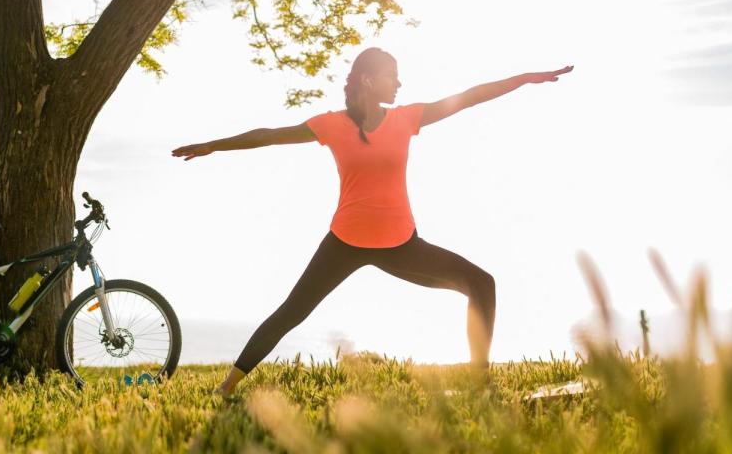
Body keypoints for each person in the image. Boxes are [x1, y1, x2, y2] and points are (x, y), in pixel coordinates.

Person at [172, 47, 572, 398]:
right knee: (292, 311)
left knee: (481, 283)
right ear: (367, 79)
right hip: (344, 243)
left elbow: (468, 98)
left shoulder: (407, 118)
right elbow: (269, 135)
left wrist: (523, 78)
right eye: (391, 75)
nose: (399, 82)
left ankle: (480, 382)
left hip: (400, 245)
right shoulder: (331, 125)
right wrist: (214, 146)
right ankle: (227, 385)